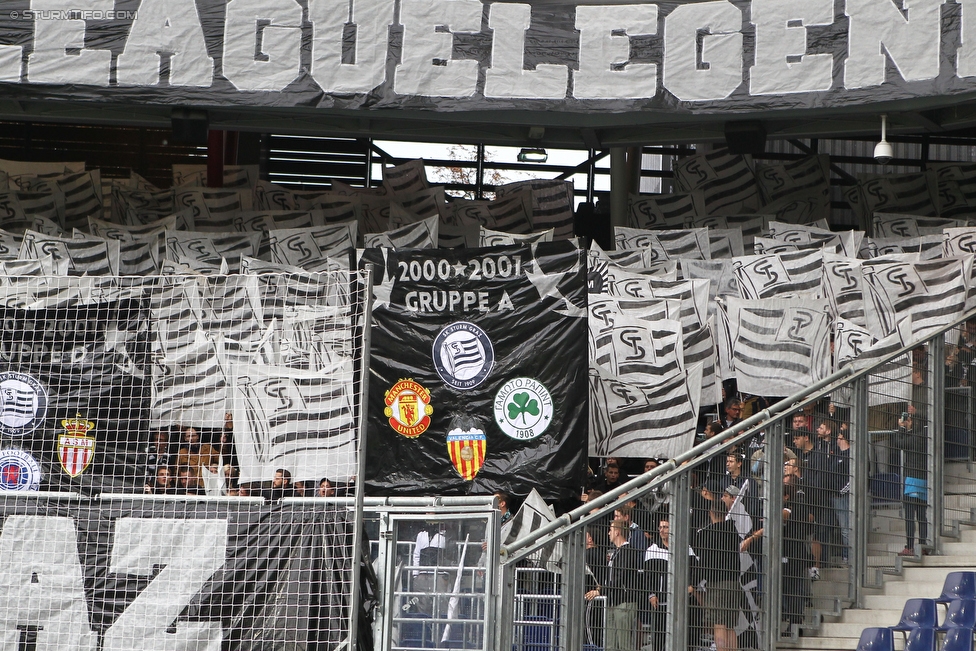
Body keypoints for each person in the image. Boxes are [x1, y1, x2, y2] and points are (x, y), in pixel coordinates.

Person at [691, 501, 744, 651]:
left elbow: (704, 561)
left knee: (719, 624)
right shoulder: (733, 531)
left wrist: (694, 582)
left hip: (717, 583)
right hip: (734, 582)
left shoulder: (708, 534)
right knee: (730, 625)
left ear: (710, 513)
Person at [585, 519, 643, 651]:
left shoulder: (628, 551)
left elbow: (621, 577)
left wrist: (601, 590)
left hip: (624, 602)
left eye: (610, 530)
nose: (608, 533)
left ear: (617, 532)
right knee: (610, 645)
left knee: (624, 645)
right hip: (612, 601)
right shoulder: (616, 552)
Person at [895, 411, 929, 556]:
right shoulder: (926, 436)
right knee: (922, 516)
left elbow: (899, 443)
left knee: (909, 515)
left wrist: (901, 428)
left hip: (911, 481)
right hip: (924, 481)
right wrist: (909, 429)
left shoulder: (915, 438)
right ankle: (923, 545)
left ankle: (909, 546)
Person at [644, 519, 671, 651]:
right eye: (660, 527)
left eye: (665, 527)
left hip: (678, 604)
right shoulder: (652, 550)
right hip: (660, 603)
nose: (661, 530)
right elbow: (648, 576)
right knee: (659, 640)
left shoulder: (684, 548)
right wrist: (652, 594)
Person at [176, 426, 218, 490]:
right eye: (188, 436)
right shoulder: (182, 453)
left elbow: (220, 460)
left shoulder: (208, 449)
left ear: (197, 436)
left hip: (206, 486)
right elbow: (177, 472)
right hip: (188, 488)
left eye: (193, 435)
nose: (191, 438)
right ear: (185, 438)